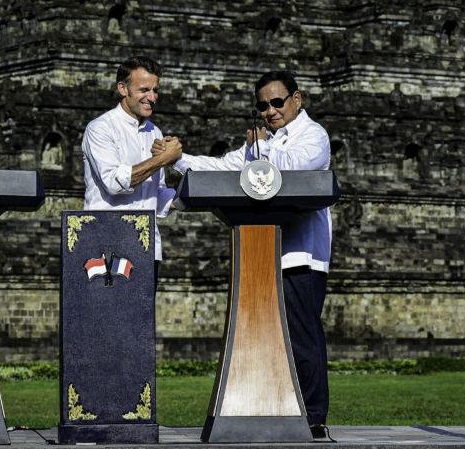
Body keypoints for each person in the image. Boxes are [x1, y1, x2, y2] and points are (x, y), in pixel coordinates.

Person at [169, 70, 332, 435]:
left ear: (296, 99)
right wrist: (176, 159)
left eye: (277, 102)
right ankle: (276, 408)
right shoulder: (259, 144)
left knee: (301, 335)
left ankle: (314, 415)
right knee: (269, 337)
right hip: (260, 256)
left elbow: (291, 169)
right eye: (262, 105)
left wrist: (264, 149)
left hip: (300, 255)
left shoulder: (313, 136)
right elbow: (222, 167)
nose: (270, 111)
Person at [81, 56, 181, 261]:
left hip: (146, 246)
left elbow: (156, 193)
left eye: (155, 90)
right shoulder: (100, 128)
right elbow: (114, 183)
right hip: (107, 245)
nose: (152, 98)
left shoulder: (156, 132)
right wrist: (162, 159)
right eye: (144, 90)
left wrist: (194, 194)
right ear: (123, 89)